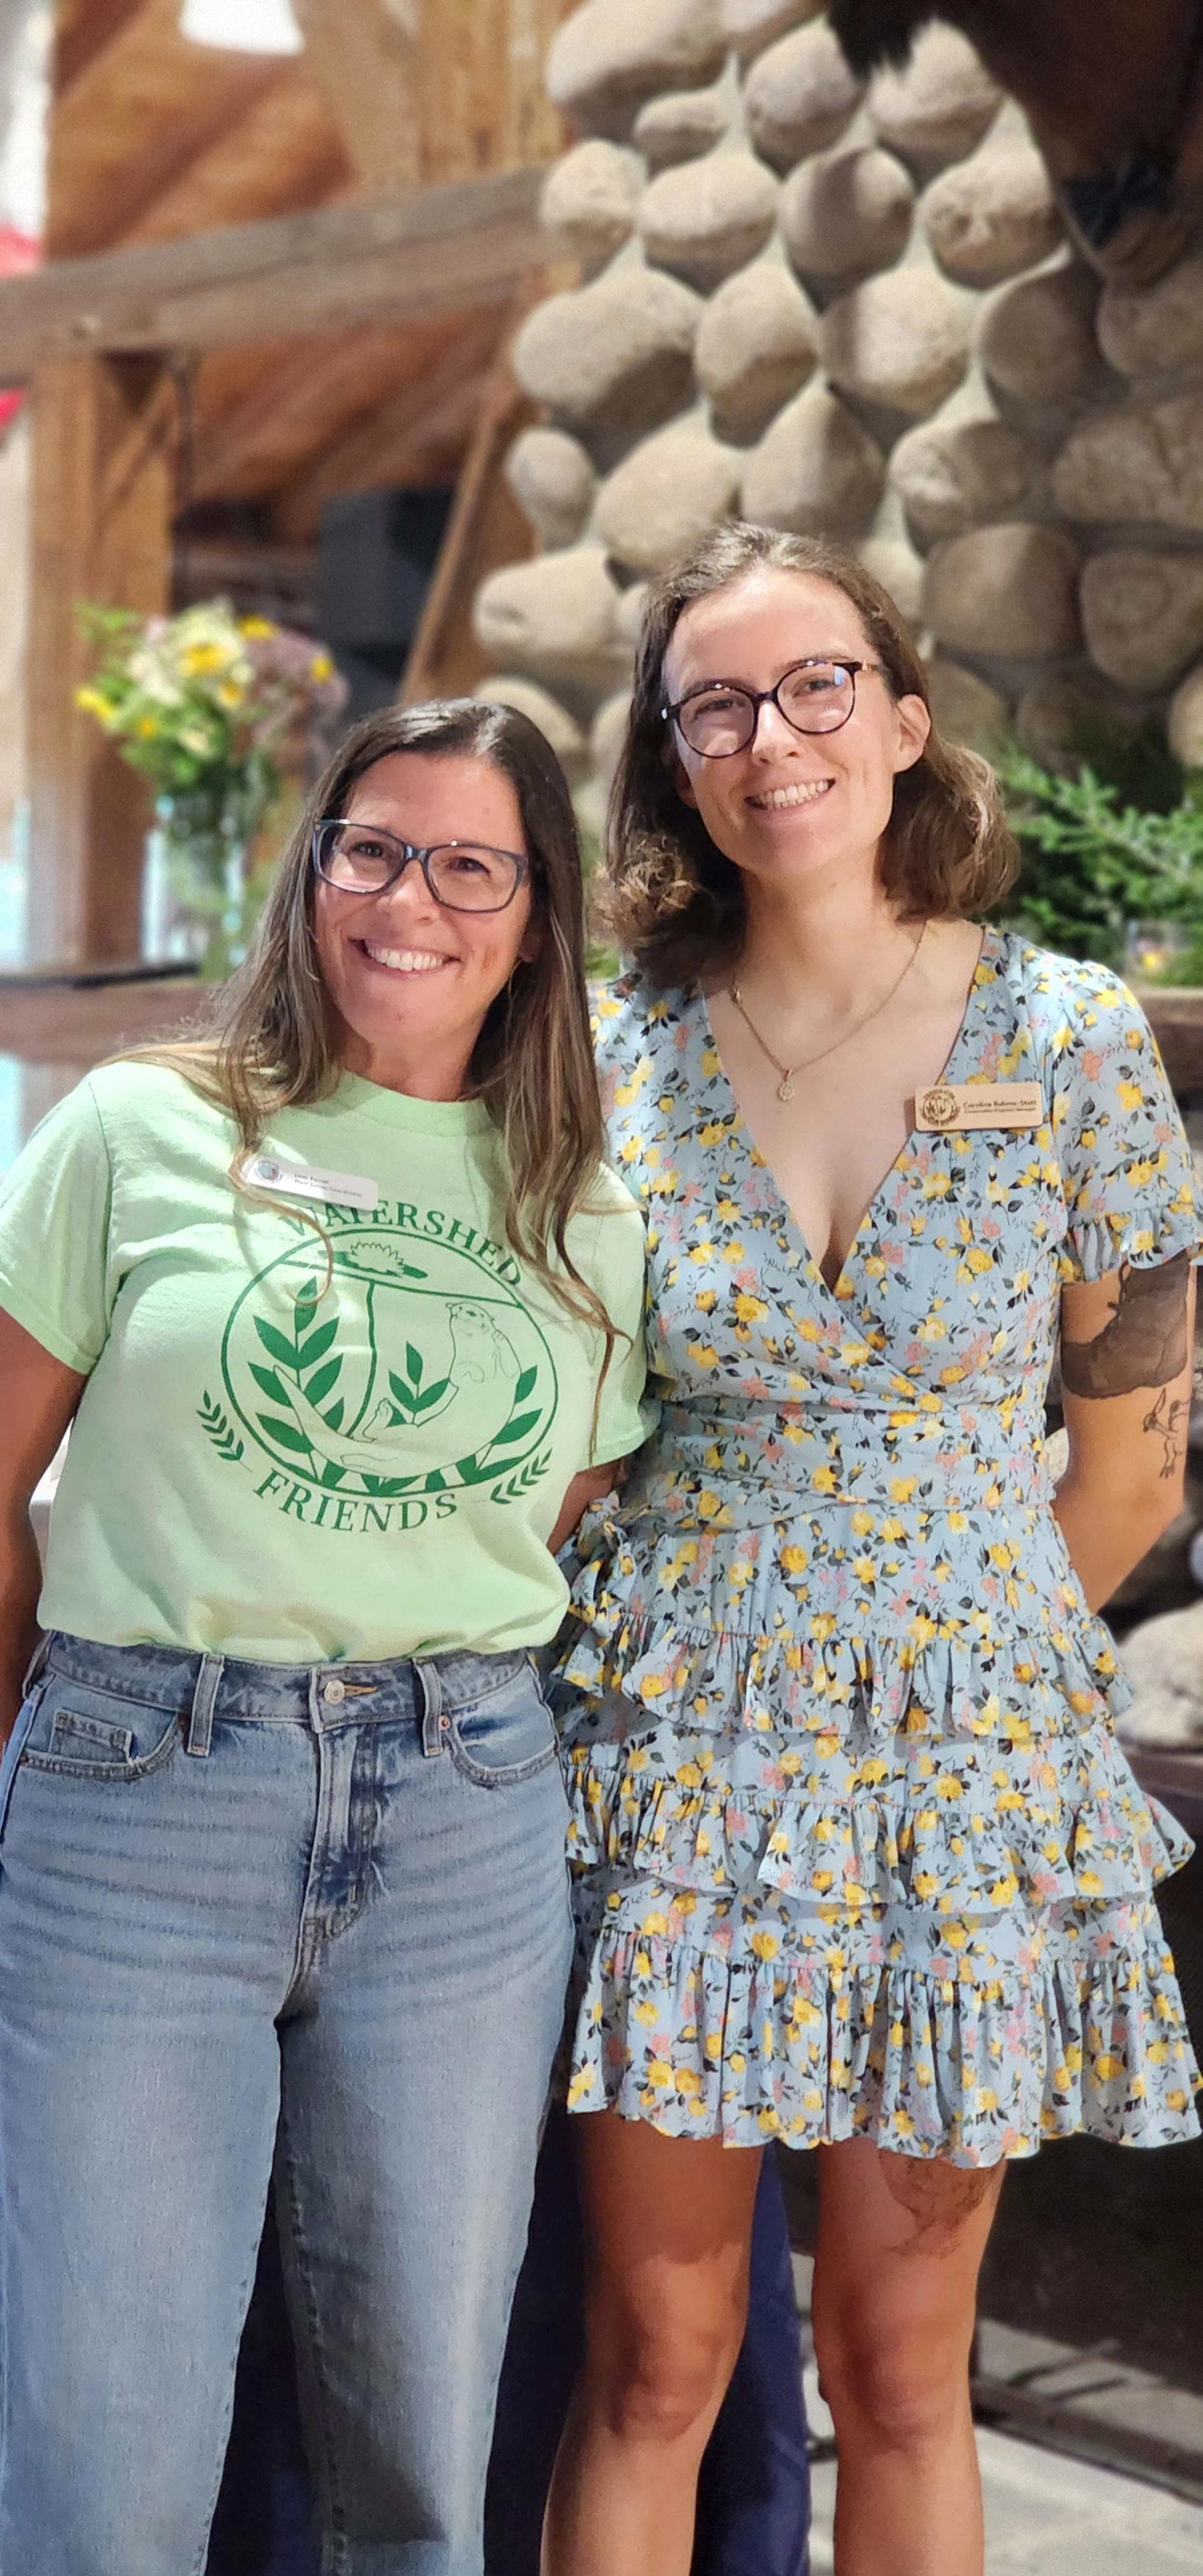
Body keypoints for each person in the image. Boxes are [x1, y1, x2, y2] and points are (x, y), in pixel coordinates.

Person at [541, 522, 1202, 2576]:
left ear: (904, 719)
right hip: (676, 1758)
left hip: (964, 1763)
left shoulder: (1070, 1037)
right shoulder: (607, 1050)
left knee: (904, 2368)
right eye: (715, 707)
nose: (773, 737)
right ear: (673, 761)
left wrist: (951, 1666)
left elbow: (1132, 1468)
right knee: (654, 2357)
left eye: (816, 684)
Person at [0, 698, 653, 2576]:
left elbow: (544, 1512)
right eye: (372, 848)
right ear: (311, 868)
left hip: (465, 1821)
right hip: (140, 1799)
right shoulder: (140, 1124)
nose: (408, 900)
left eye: (469, 866)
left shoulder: (590, 1207)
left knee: (420, 2466)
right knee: (103, 2468)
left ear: (536, 919)